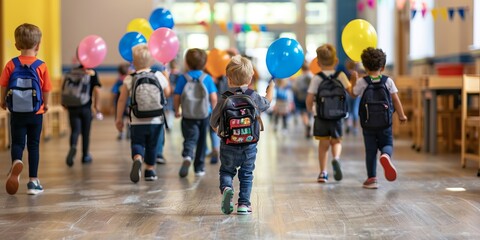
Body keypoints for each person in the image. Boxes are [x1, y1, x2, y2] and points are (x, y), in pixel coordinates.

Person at [210, 55, 274, 215]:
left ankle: (226, 188)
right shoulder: (253, 96)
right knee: (246, 174)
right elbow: (267, 103)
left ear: (228, 79)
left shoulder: (224, 98)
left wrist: (221, 134)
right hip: (249, 144)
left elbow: (213, 121)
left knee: (226, 171)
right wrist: (271, 88)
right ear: (251, 77)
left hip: (228, 144)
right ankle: (244, 204)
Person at [0, 23, 52, 195]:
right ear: (38, 45)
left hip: (16, 112)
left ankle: (16, 161)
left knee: (17, 142)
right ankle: (33, 182)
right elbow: (46, 89)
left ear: (17, 46)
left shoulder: (11, 64)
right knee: (34, 145)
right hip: (35, 112)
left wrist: (2, 101)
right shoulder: (41, 66)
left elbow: (3, 85)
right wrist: (47, 104)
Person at [351, 47, 407, 189]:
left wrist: (353, 82)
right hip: (385, 123)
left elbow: (353, 94)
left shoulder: (362, 82)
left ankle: (372, 178)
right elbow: (395, 99)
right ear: (382, 66)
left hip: (368, 123)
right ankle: (386, 156)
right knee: (387, 144)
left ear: (365, 66)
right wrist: (401, 115)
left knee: (370, 151)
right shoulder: (388, 81)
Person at [115, 44, 171, 183]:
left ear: (133, 62)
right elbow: (168, 93)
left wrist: (118, 119)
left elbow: (122, 99)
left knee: (138, 142)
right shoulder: (157, 75)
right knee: (152, 145)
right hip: (156, 119)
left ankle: (138, 158)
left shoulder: (130, 78)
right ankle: (150, 170)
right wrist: (166, 78)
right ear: (152, 60)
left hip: (136, 119)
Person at [305, 44, 353, 183]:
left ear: (318, 63)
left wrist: (309, 109)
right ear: (336, 61)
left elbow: (309, 97)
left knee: (323, 145)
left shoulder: (317, 78)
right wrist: (354, 80)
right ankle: (336, 159)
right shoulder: (341, 76)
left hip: (321, 116)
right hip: (337, 115)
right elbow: (351, 92)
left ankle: (323, 173)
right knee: (336, 141)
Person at [174, 48, 217, 177]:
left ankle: (187, 156)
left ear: (186, 63)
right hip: (204, 115)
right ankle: (199, 168)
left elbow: (177, 96)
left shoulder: (183, 78)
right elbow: (214, 97)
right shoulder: (207, 78)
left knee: (190, 138)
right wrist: (214, 112)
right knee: (202, 142)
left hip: (188, 115)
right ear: (204, 64)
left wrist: (177, 110)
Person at [64, 49, 102, 167]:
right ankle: (85, 155)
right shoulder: (92, 73)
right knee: (86, 132)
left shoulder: (72, 71)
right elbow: (97, 90)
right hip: (86, 107)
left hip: (72, 106)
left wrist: (65, 104)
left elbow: (65, 89)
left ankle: (73, 147)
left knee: (75, 130)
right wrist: (96, 106)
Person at [111, 62, 132, 140]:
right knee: (129, 118)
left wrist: (111, 104)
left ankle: (121, 133)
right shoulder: (129, 80)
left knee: (119, 119)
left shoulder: (118, 81)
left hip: (119, 104)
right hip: (129, 103)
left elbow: (114, 92)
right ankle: (129, 132)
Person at [293, 62, 313, 138]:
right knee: (310, 113)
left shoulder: (299, 78)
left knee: (303, 113)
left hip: (301, 98)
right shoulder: (312, 76)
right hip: (310, 98)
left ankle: (307, 124)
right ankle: (310, 123)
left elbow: (294, 88)